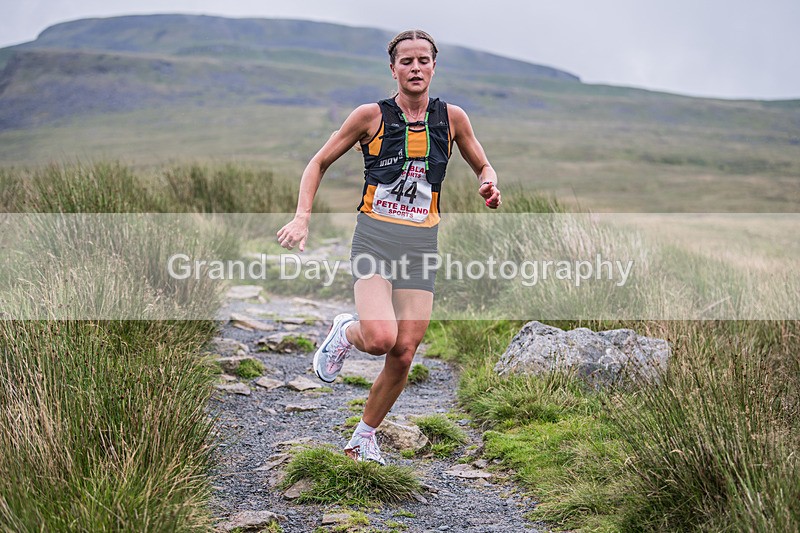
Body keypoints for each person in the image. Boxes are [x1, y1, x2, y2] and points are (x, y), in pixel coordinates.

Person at [277, 29, 501, 465]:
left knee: (404, 351)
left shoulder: (452, 119)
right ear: (393, 68)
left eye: (423, 61)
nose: (415, 68)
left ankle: (363, 436)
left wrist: (488, 182)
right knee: (380, 339)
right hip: (375, 238)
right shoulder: (370, 116)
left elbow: (483, 162)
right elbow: (318, 162)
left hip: (421, 242)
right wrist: (302, 217)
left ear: (434, 66)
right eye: (406, 61)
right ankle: (347, 331)